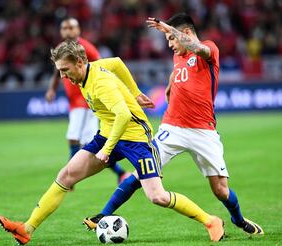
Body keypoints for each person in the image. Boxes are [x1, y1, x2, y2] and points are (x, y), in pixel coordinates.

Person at [0, 40, 225, 245]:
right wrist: (135, 92)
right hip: (108, 133)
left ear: (79, 62)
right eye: (59, 72)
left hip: (136, 138)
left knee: (157, 196)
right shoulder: (90, 69)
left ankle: (211, 221)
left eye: (65, 70)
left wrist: (106, 150)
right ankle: (27, 229)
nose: (63, 77)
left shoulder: (100, 84)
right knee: (66, 175)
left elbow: (124, 116)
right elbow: (116, 62)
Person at [84, 13, 264, 236]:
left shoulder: (209, 49)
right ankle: (103, 214)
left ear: (185, 33)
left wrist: (171, 29)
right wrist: (169, 87)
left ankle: (238, 219)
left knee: (220, 190)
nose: (169, 45)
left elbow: (199, 49)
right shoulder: (178, 58)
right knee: (142, 171)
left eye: (171, 39)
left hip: (203, 130)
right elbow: (178, 71)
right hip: (172, 129)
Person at [45, 17, 129, 182]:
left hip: (86, 101)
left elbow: (102, 67)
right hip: (74, 102)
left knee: (74, 138)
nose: (67, 31)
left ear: (78, 30)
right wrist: (51, 89)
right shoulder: (61, 49)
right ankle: (120, 173)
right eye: (64, 28)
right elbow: (56, 73)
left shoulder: (86, 48)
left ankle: (69, 177)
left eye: (71, 28)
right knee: (86, 143)